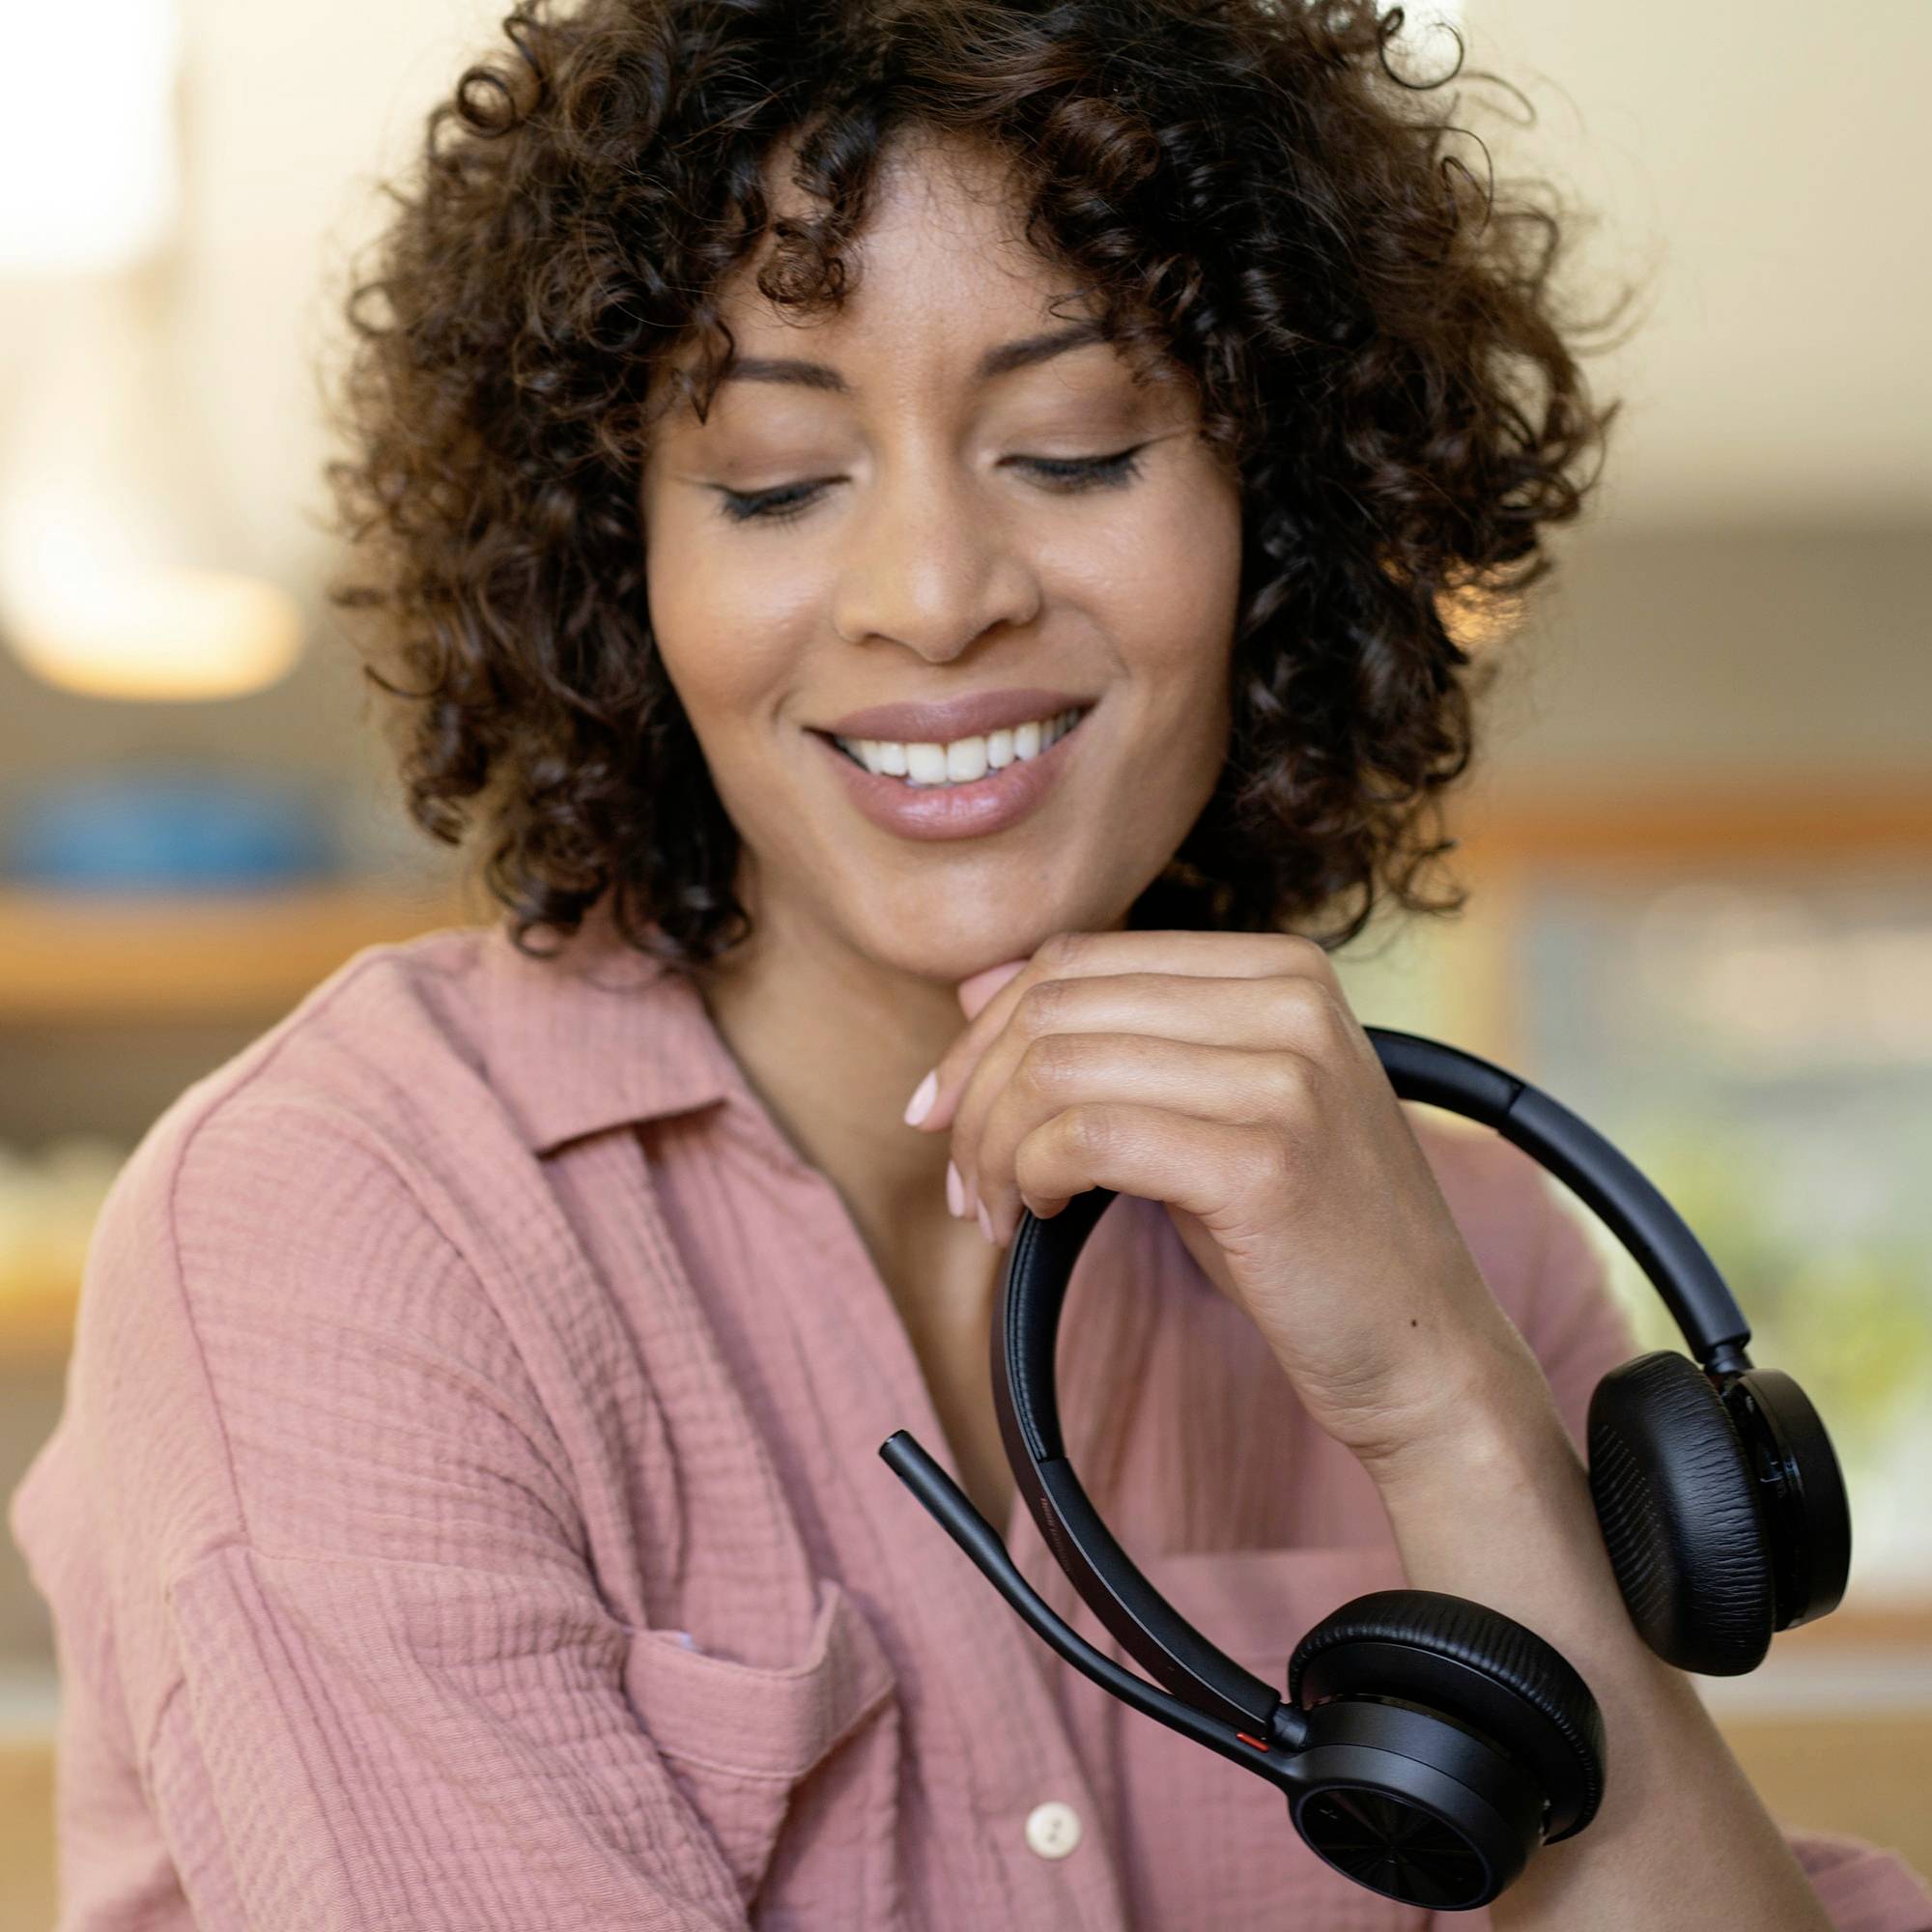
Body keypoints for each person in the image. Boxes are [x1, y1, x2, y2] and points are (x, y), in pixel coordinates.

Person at [10, 0, 1931, 1925]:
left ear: (1280, 519)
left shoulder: (1460, 1242)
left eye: (1076, 450)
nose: (934, 595)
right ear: (616, 565)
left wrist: (1441, 1406)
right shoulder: (349, 1227)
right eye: (772, 479)